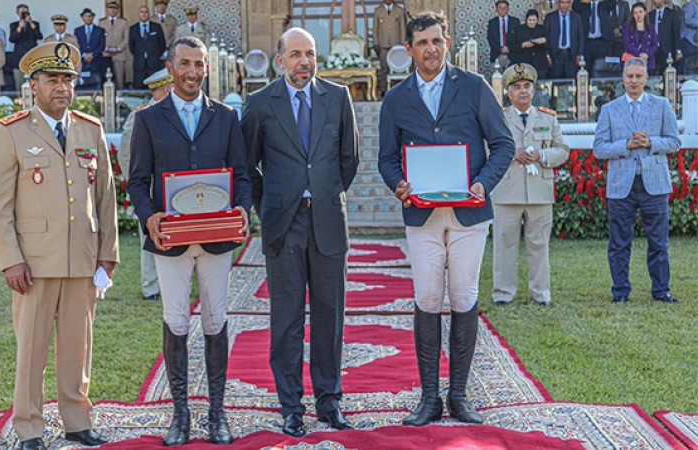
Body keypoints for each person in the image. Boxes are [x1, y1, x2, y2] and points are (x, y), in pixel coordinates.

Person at [377, 11, 514, 425]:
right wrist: (399, 184)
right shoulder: (396, 99)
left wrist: (482, 183)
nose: (430, 49)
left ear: (447, 42)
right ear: (409, 50)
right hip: (422, 216)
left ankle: (459, 395)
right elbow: (386, 159)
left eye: (436, 41)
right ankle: (429, 398)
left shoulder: (473, 87)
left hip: (468, 214)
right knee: (427, 299)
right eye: (422, 43)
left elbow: (503, 144)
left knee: (464, 295)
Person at [0, 41, 118, 450]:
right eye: (52, 79)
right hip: (35, 264)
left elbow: (106, 198)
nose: (62, 87)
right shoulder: (12, 132)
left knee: (78, 348)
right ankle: (29, 427)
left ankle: (77, 420)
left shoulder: (89, 129)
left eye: (68, 79)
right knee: (32, 351)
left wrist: (108, 254)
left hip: (81, 259)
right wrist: (11, 260)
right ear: (34, 85)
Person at [127, 36, 252, 446]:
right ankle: (180, 414)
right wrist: (149, 219)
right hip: (171, 240)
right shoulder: (148, 119)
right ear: (171, 66)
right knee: (176, 320)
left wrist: (243, 211)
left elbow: (243, 175)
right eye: (185, 64)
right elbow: (137, 181)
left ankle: (217, 414)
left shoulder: (227, 117)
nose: (194, 72)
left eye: (199, 65)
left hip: (216, 240)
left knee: (216, 320)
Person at [241, 27, 359, 437]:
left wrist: (323, 194)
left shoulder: (338, 98)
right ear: (280, 60)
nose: (304, 62)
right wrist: (270, 204)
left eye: (309, 54)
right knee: (287, 320)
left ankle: (329, 402)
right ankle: (291, 406)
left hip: (327, 221)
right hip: (283, 225)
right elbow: (247, 167)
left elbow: (350, 158)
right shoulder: (259, 104)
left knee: (330, 317)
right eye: (295, 55)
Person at [593, 57, 680, 305]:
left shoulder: (662, 105)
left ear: (646, 79)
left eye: (638, 76)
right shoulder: (609, 110)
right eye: (629, 76)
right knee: (619, 243)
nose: (633, 81)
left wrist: (651, 142)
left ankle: (661, 290)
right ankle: (620, 291)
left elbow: (674, 142)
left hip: (654, 183)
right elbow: (599, 148)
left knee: (659, 242)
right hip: (622, 185)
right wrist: (626, 145)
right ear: (623, 78)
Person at [492, 63, 569, 306]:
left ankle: (541, 294)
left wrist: (541, 155)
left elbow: (562, 150)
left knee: (539, 246)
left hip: (539, 191)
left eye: (527, 86)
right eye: (517, 87)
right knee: (504, 245)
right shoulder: (499, 119)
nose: (523, 91)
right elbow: (489, 149)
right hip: (508, 191)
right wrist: (511, 152)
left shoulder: (547, 117)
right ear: (509, 93)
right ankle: (503, 293)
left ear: (534, 90)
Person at [118, 67, 173, 301]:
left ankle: (172, 283)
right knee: (149, 235)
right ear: (160, 89)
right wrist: (136, 184)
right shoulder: (140, 114)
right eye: (168, 88)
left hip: (173, 185)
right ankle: (151, 286)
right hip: (150, 185)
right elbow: (126, 152)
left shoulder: (175, 111)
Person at [572, 0, 617, 76]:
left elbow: (613, 3)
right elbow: (575, 7)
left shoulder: (604, 4)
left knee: (601, 69)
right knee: (585, 69)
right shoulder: (584, 4)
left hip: (602, 41)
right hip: (586, 42)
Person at [373, 0, 407, 96]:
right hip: (382, 44)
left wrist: (402, 43)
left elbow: (402, 28)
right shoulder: (378, 10)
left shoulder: (399, 10)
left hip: (396, 45)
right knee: (384, 68)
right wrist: (376, 43)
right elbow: (375, 28)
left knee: (397, 68)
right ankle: (384, 89)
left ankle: (397, 89)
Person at [129, 5, 166, 89]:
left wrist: (154, 55)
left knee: (155, 89)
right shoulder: (133, 29)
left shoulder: (156, 27)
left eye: (146, 12)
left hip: (154, 65)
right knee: (139, 89)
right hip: (139, 65)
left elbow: (162, 44)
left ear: (149, 14)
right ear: (139, 14)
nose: (144, 14)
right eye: (142, 12)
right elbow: (131, 46)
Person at [545, 0, 585, 78]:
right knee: (555, 81)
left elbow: (580, 37)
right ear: (558, 3)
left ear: (570, 3)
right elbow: (545, 37)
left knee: (571, 81)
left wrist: (580, 54)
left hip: (571, 55)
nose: (565, 5)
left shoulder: (576, 17)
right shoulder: (550, 17)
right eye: (562, 2)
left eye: (567, 3)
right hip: (555, 55)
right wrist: (547, 55)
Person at [9, 4, 42, 91]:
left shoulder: (35, 24)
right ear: (17, 13)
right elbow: (12, 39)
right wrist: (19, 27)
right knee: (19, 85)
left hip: (33, 60)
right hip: (18, 60)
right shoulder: (13, 25)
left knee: (34, 85)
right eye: (21, 12)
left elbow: (39, 36)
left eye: (25, 12)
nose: (23, 14)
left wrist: (31, 23)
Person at [509, 9, 550, 78]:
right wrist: (523, 45)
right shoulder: (519, 30)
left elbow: (549, 45)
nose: (532, 22)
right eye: (530, 20)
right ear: (526, 20)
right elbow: (512, 46)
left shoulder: (542, 29)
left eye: (534, 20)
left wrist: (543, 40)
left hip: (540, 64)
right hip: (524, 64)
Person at [99, 1, 129, 89]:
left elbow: (126, 38)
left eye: (115, 8)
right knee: (106, 78)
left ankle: (120, 99)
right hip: (105, 54)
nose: (112, 10)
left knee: (120, 80)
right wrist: (106, 48)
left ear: (118, 10)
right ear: (107, 10)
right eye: (110, 8)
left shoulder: (123, 22)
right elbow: (99, 38)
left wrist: (118, 49)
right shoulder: (102, 22)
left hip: (119, 55)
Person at [74, 8, 106, 90]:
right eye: (85, 16)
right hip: (83, 63)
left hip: (96, 62)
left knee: (97, 84)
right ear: (82, 18)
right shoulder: (78, 30)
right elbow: (76, 45)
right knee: (83, 85)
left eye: (89, 16)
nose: (88, 18)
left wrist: (93, 54)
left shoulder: (100, 30)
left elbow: (101, 45)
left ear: (93, 17)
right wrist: (84, 55)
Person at [649, 0, 682, 73]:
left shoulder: (672, 14)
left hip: (668, 50)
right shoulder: (650, 15)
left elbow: (676, 33)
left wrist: (678, 50)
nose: (655, 1)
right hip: (653, 49)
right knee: (651, 72)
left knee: (666, 72)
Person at [624, 3, 659, 70]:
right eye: (635, 13)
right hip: (632, 61)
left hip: (648, 61)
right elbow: (627, 44)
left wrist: (647, 55)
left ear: (645, 12)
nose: (638, 15)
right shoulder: (627, 27)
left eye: (640, 12)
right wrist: (639, 54)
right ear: (632, 15)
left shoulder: (651, 27)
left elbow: (655, 45)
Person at [488, 0, 521, 71]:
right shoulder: (492, 22)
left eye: (504, 8)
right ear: (496, 9)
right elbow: (490, 39)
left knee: (512, 80)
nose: (502, 10)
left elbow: (518, 39)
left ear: (508, 9)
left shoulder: (515, 21)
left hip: (512, 56)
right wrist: (500, 49)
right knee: (496, 80)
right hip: (497, 55)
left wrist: (509, 48)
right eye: (500, 8)